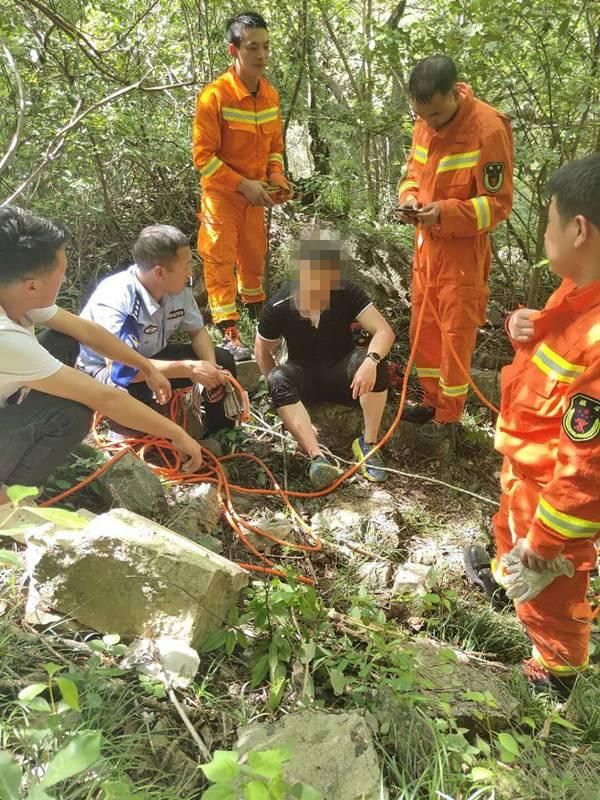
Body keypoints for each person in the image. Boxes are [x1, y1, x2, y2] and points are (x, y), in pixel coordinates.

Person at [466, 154, 600, 697]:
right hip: (524, 470)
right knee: (509, 534)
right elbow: (551, 346)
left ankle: (557, 670)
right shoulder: (575, 288)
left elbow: (586, 471)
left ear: (578, 228)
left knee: (555, 589)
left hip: (553, 499)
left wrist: (546, 547)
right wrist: (526, 326)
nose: (545, 231)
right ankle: (510, 581)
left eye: (548, 222)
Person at [0, 206, 202, 520]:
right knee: (76, 412)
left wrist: (146, 367)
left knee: (64, 339)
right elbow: (103, 396)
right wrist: (176, 434)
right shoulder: (6, 337)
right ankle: (9, 500)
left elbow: (85, 330)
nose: (65, 279)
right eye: (61, 272)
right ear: (32, 285)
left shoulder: (15, 295)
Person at [397, 55, 513, 431]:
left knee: (455, 335)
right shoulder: (423, 123)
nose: (428, 123)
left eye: (434, 115)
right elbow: (412, 174)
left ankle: (448, 417)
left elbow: (497, 205)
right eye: (421, 115)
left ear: (454, 93)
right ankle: (430, 401)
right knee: (424, 329)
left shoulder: (489, 129)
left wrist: (444, 213)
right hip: (425, 249)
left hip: (462, 255)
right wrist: (410, 199)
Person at [254, 229, 395, 489]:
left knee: (374, 360)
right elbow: (262, 351)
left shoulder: (346, 292)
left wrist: (371, 361)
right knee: (278, 378)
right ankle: (316, 457)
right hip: (304, 376)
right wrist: (279, 394)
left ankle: (368, 444)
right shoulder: (279, 305)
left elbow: (384, 331)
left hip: (343, 374)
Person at [192, 11, 292, 362]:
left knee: (253, 258)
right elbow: (203, 158)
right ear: (233, 50)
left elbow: (275, 147)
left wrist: (276, 175)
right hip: (222, 196)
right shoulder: (214, 97)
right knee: (219, 259)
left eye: (266, 46)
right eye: (252, 47)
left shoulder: (270, 96)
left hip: (257, 195)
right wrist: (241, 184)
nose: (262, 55)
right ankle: (228, 330)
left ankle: (258, 324)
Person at [77, 224, 236, 437]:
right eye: (186, 266)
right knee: (127, 397)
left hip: (152, 359)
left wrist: (209, 368)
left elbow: (197, 331)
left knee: (222, 359)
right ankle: (131, 437)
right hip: (109, 372)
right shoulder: (117, 300)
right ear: (160, 272)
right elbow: (123, 370)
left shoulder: (177, 287)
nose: (191, 272)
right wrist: (189, 369)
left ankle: (221, 435)